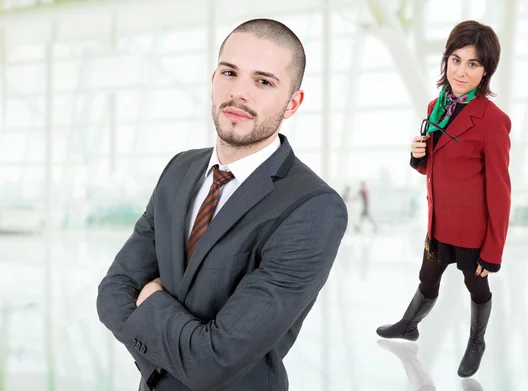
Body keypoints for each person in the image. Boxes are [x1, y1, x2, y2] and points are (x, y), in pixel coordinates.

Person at [96, 18, 348, 391]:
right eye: (230, 73)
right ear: (214, 79)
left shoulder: (313, 207)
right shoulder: (179, 169)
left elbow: (215, 361)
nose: (239, 93)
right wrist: (174, 352)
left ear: (292, 103)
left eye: (263, 81)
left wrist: (149, 301)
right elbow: (112, 292)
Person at [376, 20, 511, 378]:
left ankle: (476, 341)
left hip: (472, 227)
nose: (461, 71)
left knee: (475, 284)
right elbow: (437, 165)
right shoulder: (437, 105)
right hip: (439, 220)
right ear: (445, 61)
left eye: (472, 64)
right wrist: (418, 156)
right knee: (428, 277)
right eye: (455, 59)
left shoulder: (493, 121)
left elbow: (500, 189)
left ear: (486, 71)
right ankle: (408, 325)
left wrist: (493, 250)